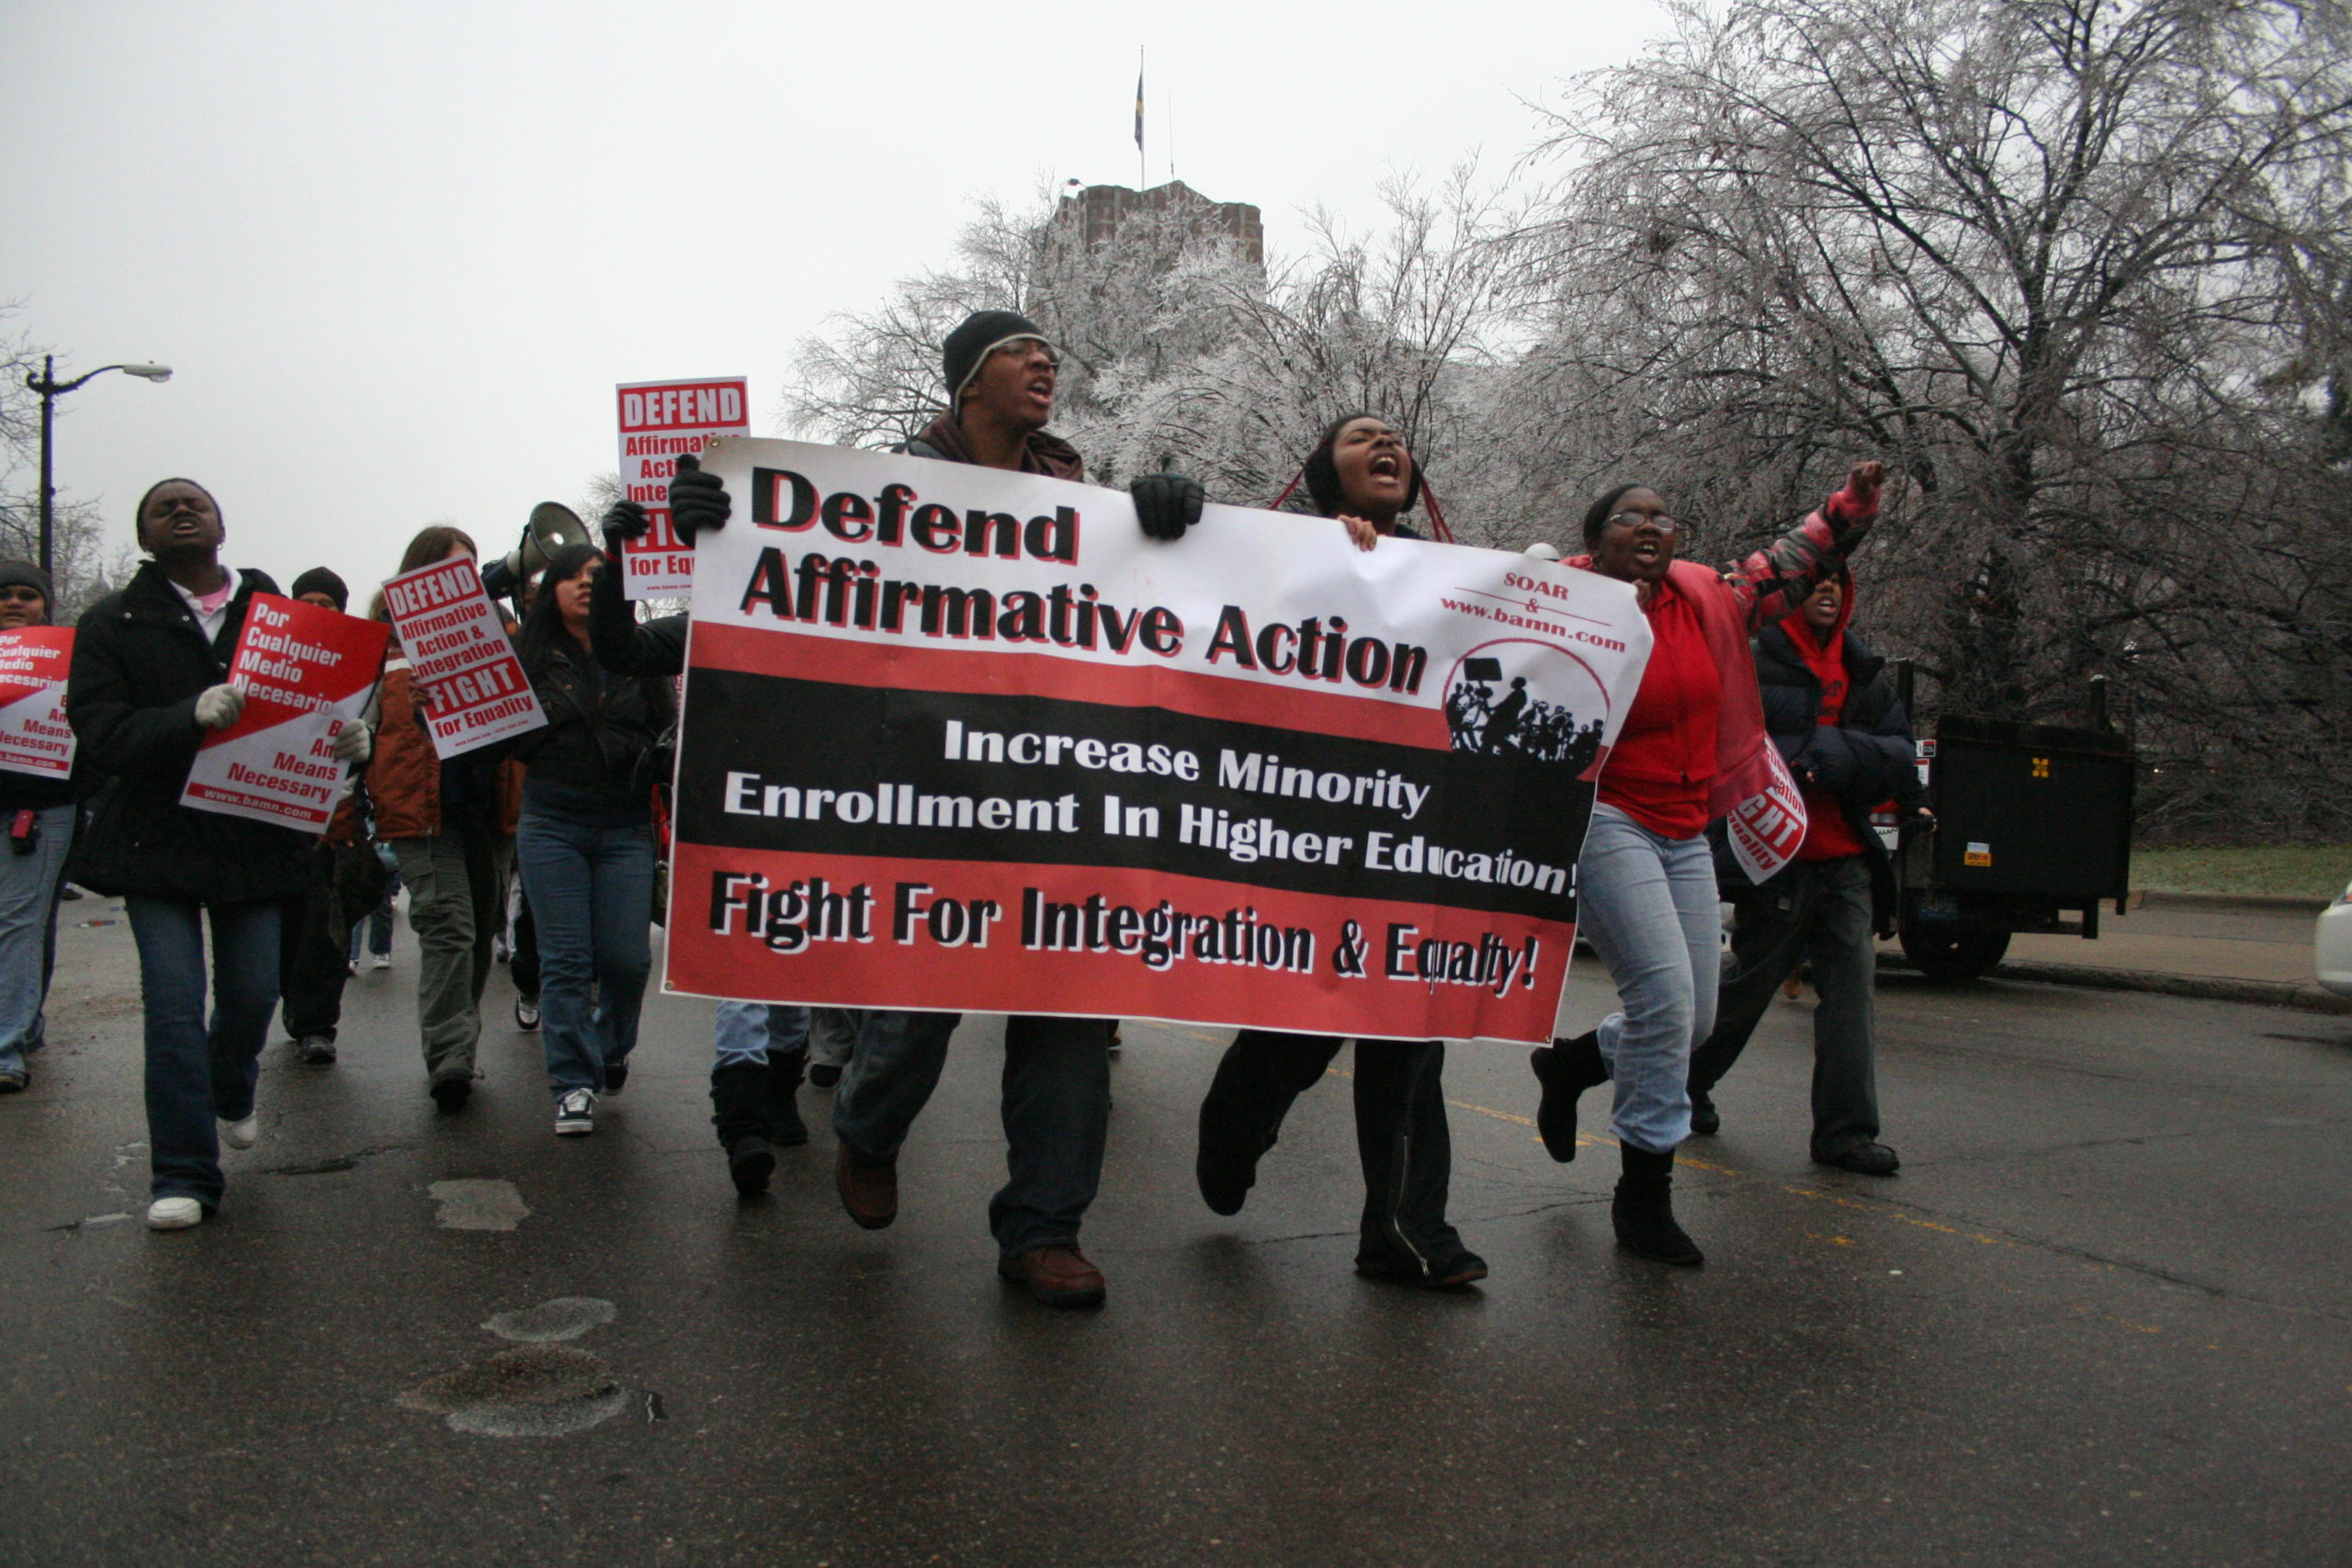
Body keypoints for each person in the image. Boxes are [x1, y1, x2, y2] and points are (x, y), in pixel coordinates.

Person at [666, 307, 1202, 1306]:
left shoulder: (1085, 502)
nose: (1045, 359)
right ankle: (867, 1131)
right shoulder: (882, 492)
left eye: (1052, 347)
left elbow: (1175, 606)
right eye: (1018, 350)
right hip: (932, 799)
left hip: (1059, 802)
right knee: (915, 1013)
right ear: (967, 381)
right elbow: (805, 588)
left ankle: (1044, 1229)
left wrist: (1171, 517)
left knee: (1068, 1022)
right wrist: (720, 521)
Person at [1529, 461, 1886, 1266]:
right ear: (1595, 539)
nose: (1651, 526)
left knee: (1692, 1020)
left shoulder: (1706, 600)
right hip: (1604, 814)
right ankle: (1643, 1197)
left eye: (1662, 515)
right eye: (1629, 516)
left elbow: (1788, 564)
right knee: (1661, 997)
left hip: (1685, 824)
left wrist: (1848, 508)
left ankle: (1573, 1064)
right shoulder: (1559, 602)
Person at [1192, 413, 1486, 1289]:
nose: (1385, 444)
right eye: (1361, 436)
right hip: (1308, 840)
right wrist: (1322, 554)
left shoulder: (1449, 579)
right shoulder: (1283, 555)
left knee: (1410, 1034)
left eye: (1395, 436)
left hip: (1410, 841)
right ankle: (1234, 1127)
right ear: (1326, 471)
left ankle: (1404, 1229)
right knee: (1297, 1036)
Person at [66, 479, 369, 1229]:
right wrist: (185, 718)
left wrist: (349, 747)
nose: (179, 508)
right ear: (145, 537)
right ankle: (183, 1173)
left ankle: (231, 1086)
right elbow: (99, 730)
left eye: (192, 500)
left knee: (250, 997)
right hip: (157, 842)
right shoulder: (112, 622)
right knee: (172, 1007)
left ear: (222, 524)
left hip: (252, 841)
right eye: (160, 505)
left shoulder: (283, 622)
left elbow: (322, 715)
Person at [580, 506, 814, 1192]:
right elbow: (619, 648)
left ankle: (779, 1089)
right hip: (731, 825)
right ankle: (741, 1126)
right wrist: (620, 557)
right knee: (743, 977)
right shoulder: (702, 627)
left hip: (813, 827)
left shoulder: (833, 629)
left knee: (794, 982)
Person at [1687, 572, 1928, 1175]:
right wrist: (1809, 755)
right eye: (1815, 581)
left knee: (1852, 1001)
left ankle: (1846, 1134)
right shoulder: (1756, 662)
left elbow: (1899, 753)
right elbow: (1730, 746)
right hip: (1775, 862)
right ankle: (1683, 1084)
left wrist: (1838, 754)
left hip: (1847, 862)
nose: (1828, 591)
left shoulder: (1862, 668)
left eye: (1839, 584)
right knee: (1746, 992)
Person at [506, 544, 672, 1137]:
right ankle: (572, 1082)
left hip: (625, 827)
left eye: (598, 576)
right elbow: (484, 733)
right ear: (549, 589)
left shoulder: (640, 653)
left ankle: (612, 1047)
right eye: (572, 575)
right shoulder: (526, 656)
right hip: (552, 823)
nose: (585, 583)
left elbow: (668, 734)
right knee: (567, 959)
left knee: (627, 961)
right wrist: (432, 713)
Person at [365, 530, 524, 1109]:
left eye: (473, 570)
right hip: (420, 809)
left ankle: (461, 1045)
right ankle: (450, 1057)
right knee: (449, 929)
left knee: (479, 933)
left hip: (488, 806)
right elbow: (356, 728)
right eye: (453, 569)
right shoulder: (380, 641)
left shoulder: (502, 627)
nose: (466, 581)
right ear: (420, 574)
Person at [275, 567, 384, 1066]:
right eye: (308, 603)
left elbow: (377, 736)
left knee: (327, 927)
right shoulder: (269, 663)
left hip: (336, 817)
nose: (318, 613)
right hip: (275, 817)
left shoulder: (364, 668)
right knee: (284, 927)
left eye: (328, 605)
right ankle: (295, 1010)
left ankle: (318, 1025)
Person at [0, 563, 79, 1093]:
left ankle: (6, 1047)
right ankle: (26, 1025)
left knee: (18, 923)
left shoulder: (72, 658)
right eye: (4, 595)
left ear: (45, 605)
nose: (14, 603)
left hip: (41, 810)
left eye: (27, 596)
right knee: (30, 923)